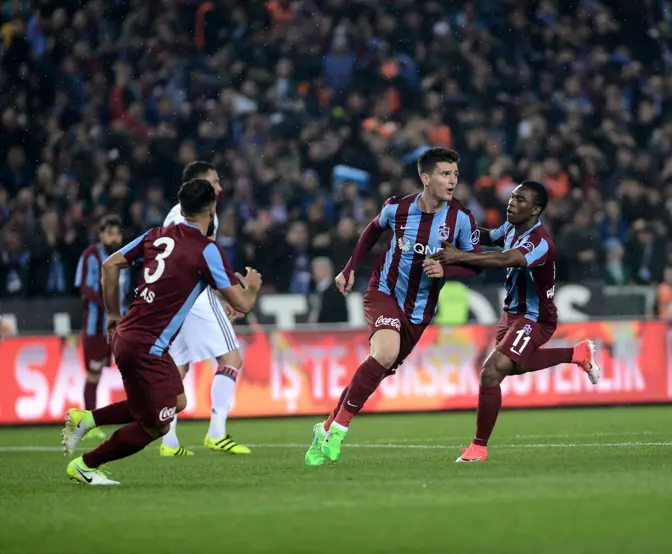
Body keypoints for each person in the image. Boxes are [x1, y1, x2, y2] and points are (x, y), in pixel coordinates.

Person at [62, 179, 263, 486]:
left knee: (175, 402)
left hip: (131, 335)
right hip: (147, 347)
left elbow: (110, 264)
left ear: (181, 208)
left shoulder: (157, 234)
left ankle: (87, 419)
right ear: (212, 209)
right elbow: (242, 305)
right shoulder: (206, 250)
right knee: (158, 425)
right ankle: (86, 465)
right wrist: (252, 286)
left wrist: (114, 314)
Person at [304, 147, 480, 466]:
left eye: (455, 173)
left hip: (419, 311)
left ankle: (326, 426)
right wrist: (350, 267)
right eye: (444, 173)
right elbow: (373, 229)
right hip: (384, 291)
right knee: (383, 353)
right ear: (425, 178)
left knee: (379, 367)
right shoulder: (398, 208)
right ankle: (340, 430)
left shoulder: (461, 219)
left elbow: (475, 264)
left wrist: (448, 269)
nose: (452, 180)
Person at [429, 181, 600, 462]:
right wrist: (456, 231)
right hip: (511, 313)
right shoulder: (510, 228)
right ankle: (576, 354)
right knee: (512, 367)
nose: (511, 203)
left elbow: (504, 259)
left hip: (535, 318)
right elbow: (489, 237)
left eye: (520, 200)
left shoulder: (540, 242)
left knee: (491, 372)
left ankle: (478, 447)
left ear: (535, 210)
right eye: (511, 197)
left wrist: (458, 256)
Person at [161, 161, 250, 456]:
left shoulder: (175, 214)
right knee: (231, 358)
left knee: (179, 366)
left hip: (173, 296)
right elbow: (199, 258)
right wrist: (223, 297)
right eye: (214, 181)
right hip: (193, 295)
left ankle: (169, 440)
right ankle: (216, 432)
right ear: (199, 184)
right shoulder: (199, 215)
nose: (220, 187)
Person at [74, 214, 127, 441]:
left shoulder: (125, 257)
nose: (114, 237)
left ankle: (139, 414)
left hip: (122, 326)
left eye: (117, 233)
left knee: (131, 369)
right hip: (97, 327)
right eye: (109, 233)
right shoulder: (90, 256)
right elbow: (85, 288)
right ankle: (88, 422)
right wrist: (109, 307)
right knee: (94, 373)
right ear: (100, 234)